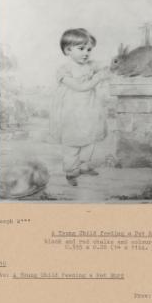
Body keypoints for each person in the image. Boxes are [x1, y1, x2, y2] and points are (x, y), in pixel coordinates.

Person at [49, 28, 110, 186]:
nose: (86, 53)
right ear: (68, 50)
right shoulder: (64, 70)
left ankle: (84, 166)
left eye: (89, 49)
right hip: (72, 111)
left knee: (89, 139)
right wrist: (98, 78)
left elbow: (105, 66)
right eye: (81, 49)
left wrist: (106, 69)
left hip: (89, 109)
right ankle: (71, 171)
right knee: (72, 143)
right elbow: (80, 87)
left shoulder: (90, 65)